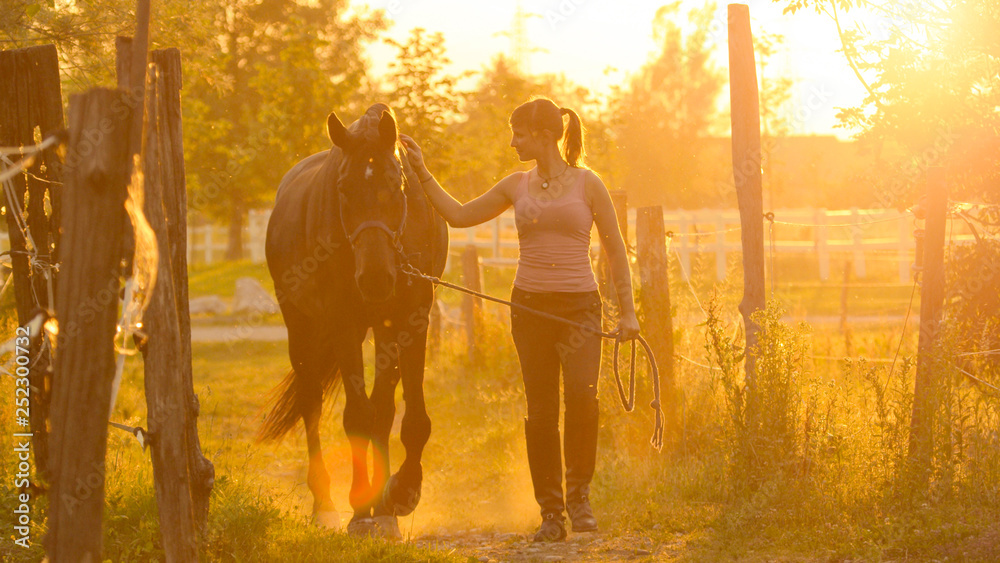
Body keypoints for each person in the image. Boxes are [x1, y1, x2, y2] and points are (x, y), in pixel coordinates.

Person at [400, 97, 639, 542]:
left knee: (584, 402)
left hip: (581, 308)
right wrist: (421, 171)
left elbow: (615, 249)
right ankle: (552, 512)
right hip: (530, 308)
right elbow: (458, 214)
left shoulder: (589, 185)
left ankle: (579, 498)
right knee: (542, 411)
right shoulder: (516, 185)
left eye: (519, 134)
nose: (512, 143)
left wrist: (627, 311)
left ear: (544, 136)